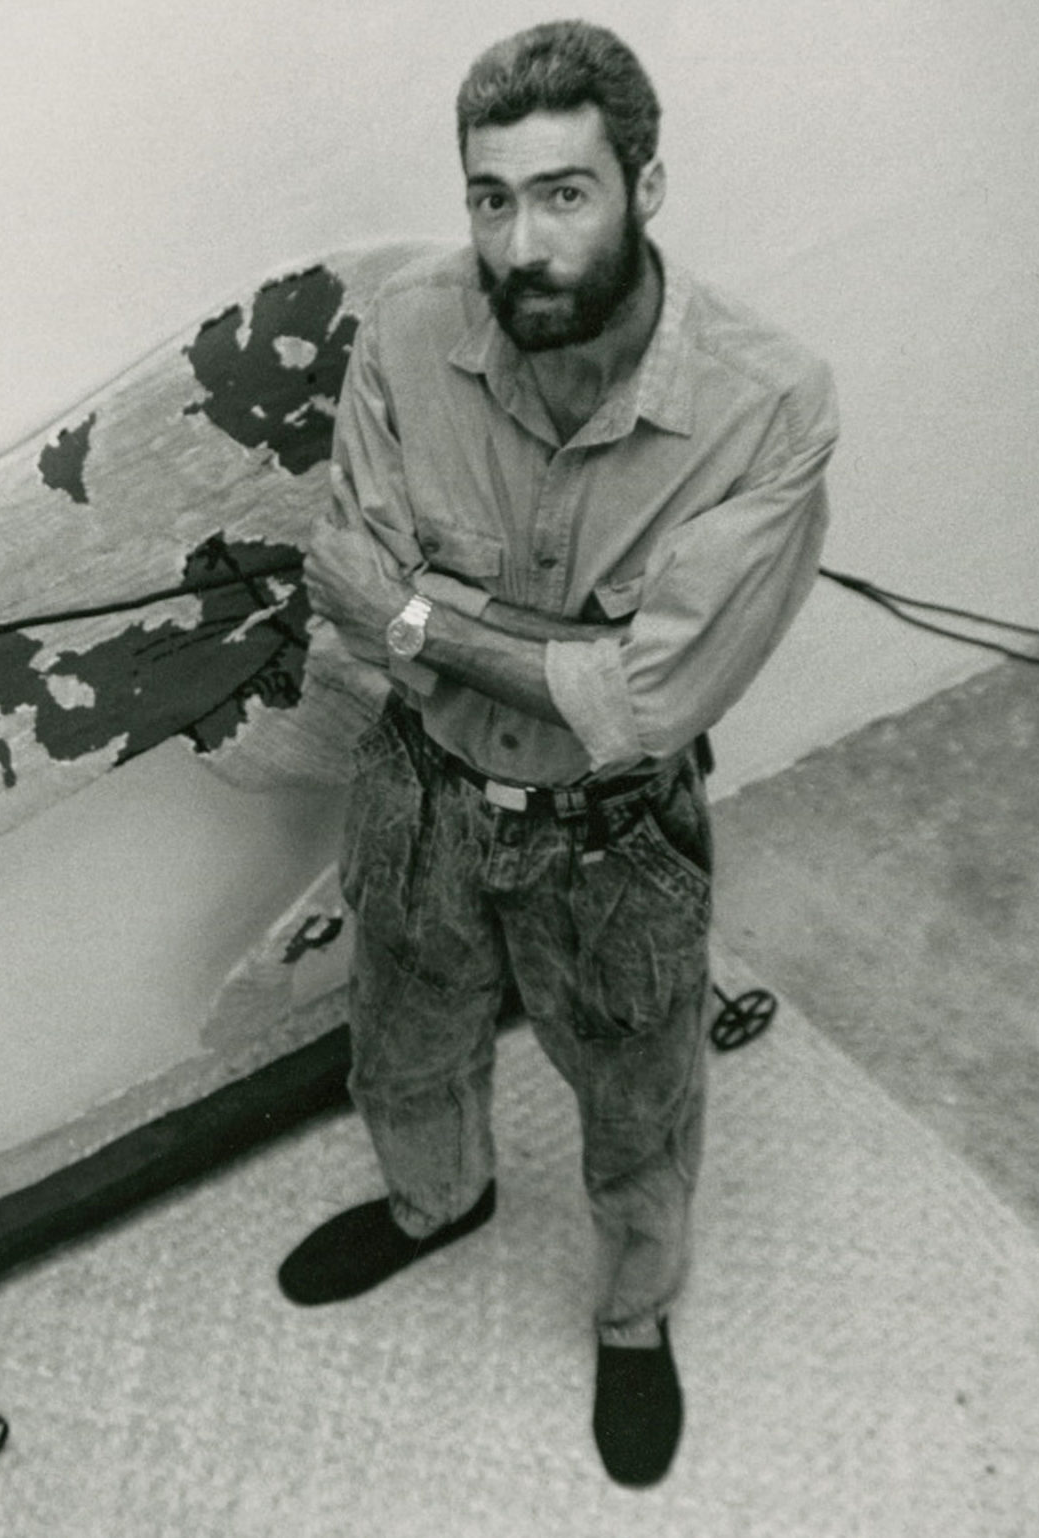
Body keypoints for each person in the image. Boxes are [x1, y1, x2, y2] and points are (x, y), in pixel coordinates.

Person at [289, 19, 837, 1489]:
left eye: (563, 193)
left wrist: (422, 611)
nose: (518, 243)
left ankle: (636, 1313)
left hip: (614, 839)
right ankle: (436, 1203)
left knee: (639, 1100)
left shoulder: (767, 406)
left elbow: (646, 704)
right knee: (399, 1044)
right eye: (489, 197)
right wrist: (523, 642)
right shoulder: (406, 327)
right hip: (419, 789)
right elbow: (349, 580)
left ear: (645, 185)